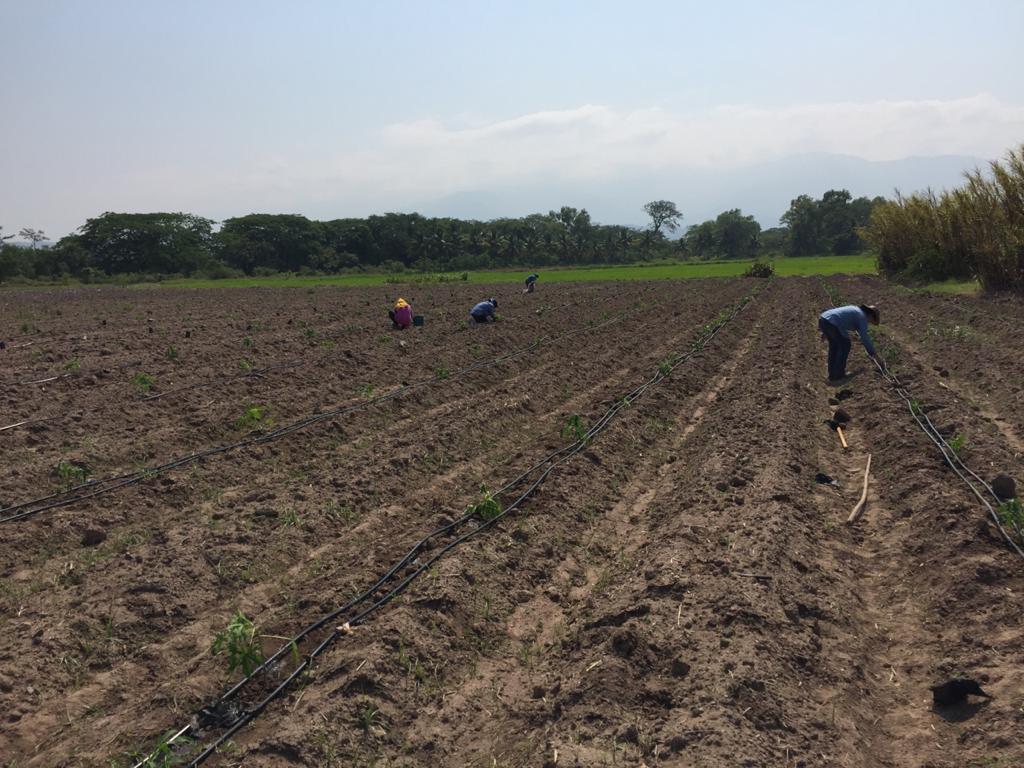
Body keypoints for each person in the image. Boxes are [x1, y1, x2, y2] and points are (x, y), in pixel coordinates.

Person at [818, 304, 882, 383]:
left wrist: (826, 331)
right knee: (845, 345)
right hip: (832, 323)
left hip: (824, 319)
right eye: (871, 321)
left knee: (834, 346)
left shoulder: (855, 310)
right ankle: (838, 375)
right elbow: (864, 337)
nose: (869, 322)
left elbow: (835, 316)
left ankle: (832, 375)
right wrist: (873, 353)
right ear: (871, 315)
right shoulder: (862, 317)